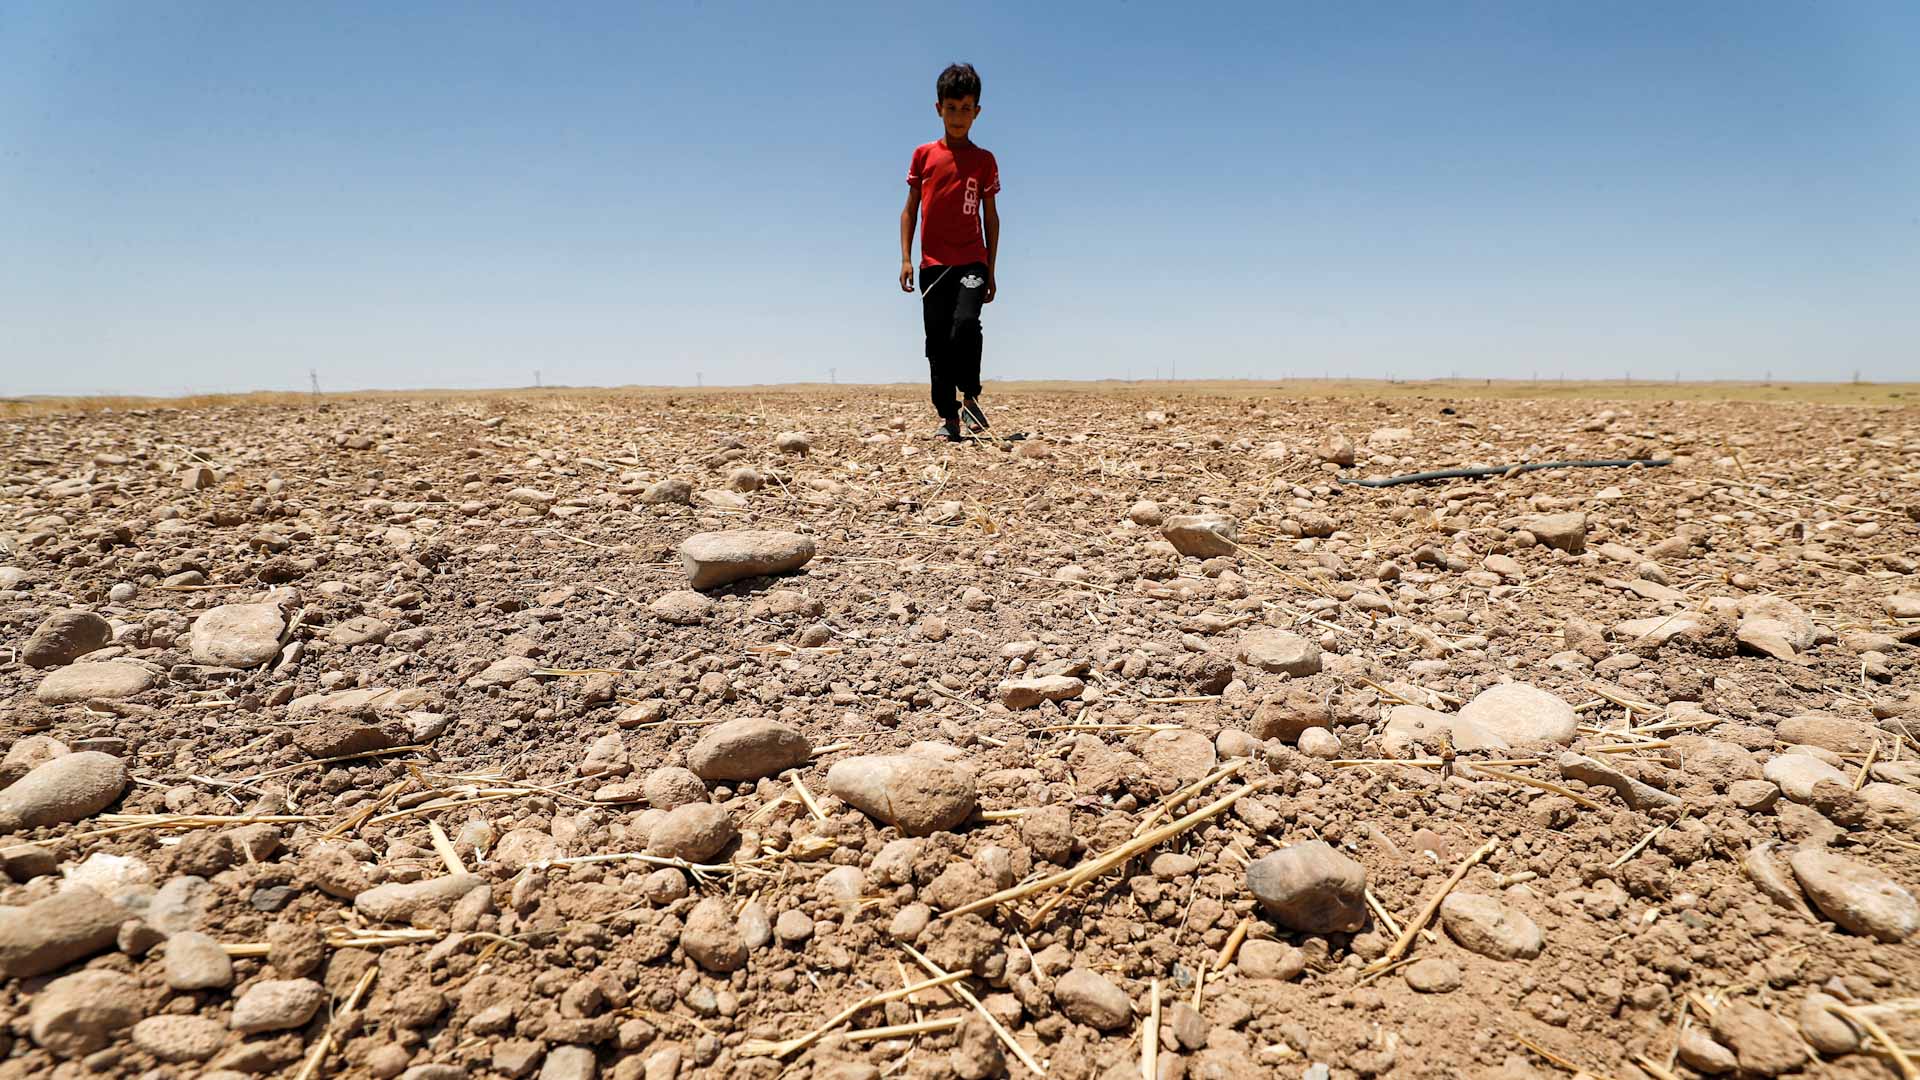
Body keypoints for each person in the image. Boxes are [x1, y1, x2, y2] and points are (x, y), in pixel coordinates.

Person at [899, 62, 1000, 441]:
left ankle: (971, 394)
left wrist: (991, 266)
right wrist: (906, 258)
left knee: (965, 325)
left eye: (966, 108)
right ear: (939, 107)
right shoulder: (923, 155)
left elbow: (991, 217)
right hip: (932, 265)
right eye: (952, 107)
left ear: (977, 111)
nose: (959, 117)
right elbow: (910, 209)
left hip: (973, 258)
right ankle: (949, 416)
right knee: (937, 340)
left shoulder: (984, 160)